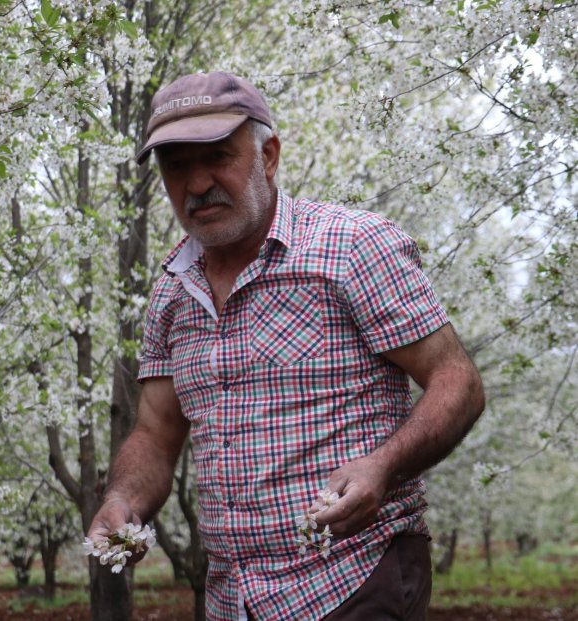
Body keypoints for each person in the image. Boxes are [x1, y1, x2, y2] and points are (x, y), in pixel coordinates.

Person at [87, 71, 485, 620]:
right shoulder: (171, 291)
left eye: (218, 157)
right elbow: (155, 434)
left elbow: (457, 382)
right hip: (232, 599)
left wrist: (382, 467)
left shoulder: (353, 247)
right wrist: (121, 500)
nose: (198, 183)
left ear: (267, 156)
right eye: (177, 166)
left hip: (353, 579)